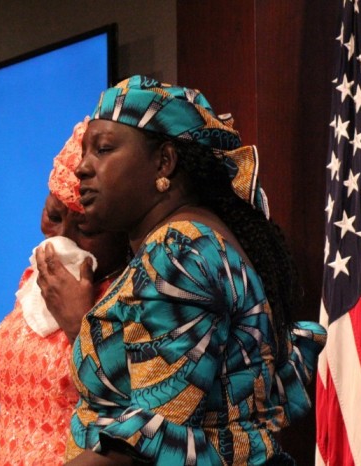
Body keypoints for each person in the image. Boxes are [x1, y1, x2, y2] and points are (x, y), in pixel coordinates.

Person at [35, 76, 327, 465]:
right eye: (85, 152)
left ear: (164, 161)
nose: (83, 168)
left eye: (103, 149)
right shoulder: (182, 243)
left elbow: (148, 441)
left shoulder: (179, 250)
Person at [0, 118, 130, 466]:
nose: (61, 238)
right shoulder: (34, 281)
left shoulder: (132, 297)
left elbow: (135, 423)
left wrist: (78, 322)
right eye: (52, 215)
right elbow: (17, 428)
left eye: (86, 228)